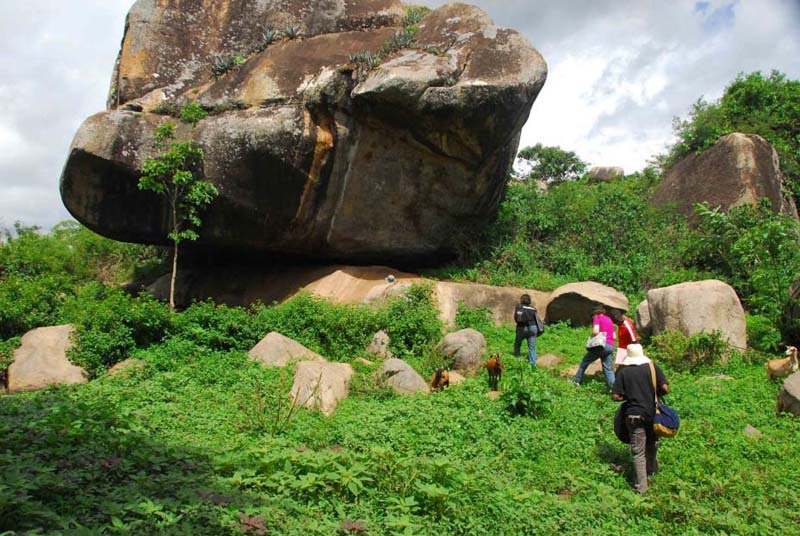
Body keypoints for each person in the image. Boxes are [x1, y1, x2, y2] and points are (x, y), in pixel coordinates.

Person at [612, 343, 670, 494]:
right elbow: (665, 388)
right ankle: (651, 473)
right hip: (652, 414)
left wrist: (628, 396)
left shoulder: (623, 371)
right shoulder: (651, 367)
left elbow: (615, 396)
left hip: (633, 415)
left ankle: (641, 488)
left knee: (638, 452)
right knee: (652, 444)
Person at [573, 305, 615, 388]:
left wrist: (591, 336)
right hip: (610, 345)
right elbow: (614, 336)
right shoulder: (609, 319)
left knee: (584, 362)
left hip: (601, 345)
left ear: (595, 312)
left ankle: (576, 381)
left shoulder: (597, 317)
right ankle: (614, 389)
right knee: (608, 369)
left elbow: (595, 331)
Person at [513, 294, 541, 366]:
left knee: (517, 344)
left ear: (521, 300)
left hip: (522, 327)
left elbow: (516, 318)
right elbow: (537, 319)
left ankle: (517, 359)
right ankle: (533, 364)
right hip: (533, 328)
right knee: (532, 347)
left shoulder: (519, 307)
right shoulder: (533, 309)